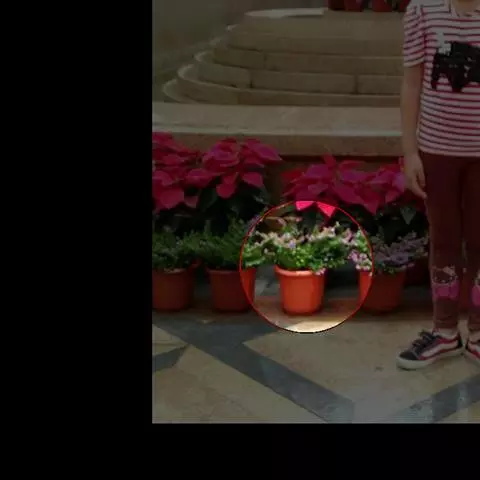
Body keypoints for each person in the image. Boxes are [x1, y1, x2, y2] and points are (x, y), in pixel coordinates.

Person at [397, 0, 480, 369]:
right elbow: (412, 81)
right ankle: (445, 331)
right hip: (437, 152)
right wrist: (410, 151)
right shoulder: (422, 10)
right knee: (444, 240)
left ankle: (479, 333)